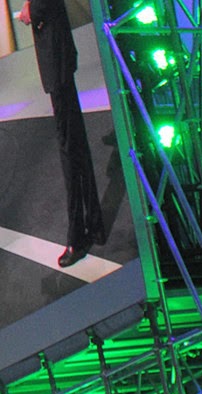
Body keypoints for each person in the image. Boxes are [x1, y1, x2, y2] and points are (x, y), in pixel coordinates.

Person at [19, 0, 105, 267]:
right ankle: (94, 224)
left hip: (56, 58)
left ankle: (77, 237)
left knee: (69, 149)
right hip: (59, 56)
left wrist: (30, 10)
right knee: (75, 143)